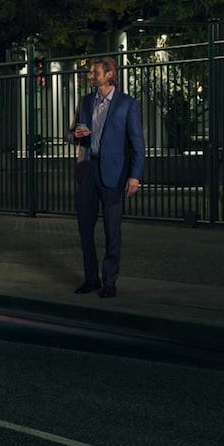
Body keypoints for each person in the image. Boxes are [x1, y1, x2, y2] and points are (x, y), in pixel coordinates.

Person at [68, 55, 145, 298]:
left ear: (109, 74)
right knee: (84, 227)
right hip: (88, 170)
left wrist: (135, 177)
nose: (91, 76)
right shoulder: (86, 101)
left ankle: (110, 281)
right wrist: (76, 134)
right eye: (91, 73)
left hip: (114, 173)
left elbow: (138, 144)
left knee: (113, 230)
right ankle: (91, 278)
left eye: (95, 73)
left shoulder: (127, 104)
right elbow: (70, 135)